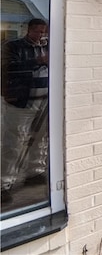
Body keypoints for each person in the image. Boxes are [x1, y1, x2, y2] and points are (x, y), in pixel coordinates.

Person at [1, 18, 49, 203]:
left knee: (41, 139)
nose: (41, 35)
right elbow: (9, 68)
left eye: (43, 32)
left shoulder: (47, 46)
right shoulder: (14, 46)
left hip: (44, 101)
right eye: (37, 31)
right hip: (22, 101)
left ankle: (35, 172)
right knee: (14, 142)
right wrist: (39, 60)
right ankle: (4, 184)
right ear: (28, 30)